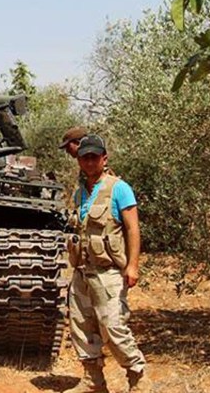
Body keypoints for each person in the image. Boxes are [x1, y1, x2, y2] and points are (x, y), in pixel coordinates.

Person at [65, 135, 151, 393]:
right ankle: (94, 381)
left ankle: (138, 379)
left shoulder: (119, 188)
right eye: (84, 157)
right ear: (79, 160)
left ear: (104, 158)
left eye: (94, 157)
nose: (89, 162)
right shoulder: (80, 192)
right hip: (82, 272)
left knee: (114, 326)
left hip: (109, 272)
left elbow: (133, 228)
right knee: (82, 327)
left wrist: (133, 266)